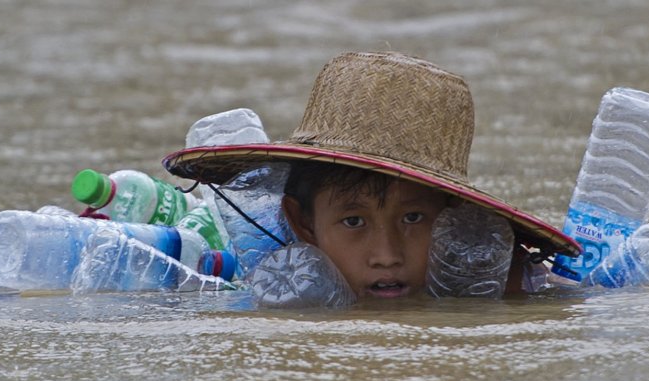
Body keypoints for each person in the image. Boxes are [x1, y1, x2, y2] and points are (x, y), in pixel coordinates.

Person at [162, 51, 580, 300]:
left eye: (414, 218)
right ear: (303, 222)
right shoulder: (264, 290)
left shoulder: (492, 284)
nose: (387, 254)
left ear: (455, 218)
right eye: (354, 221)